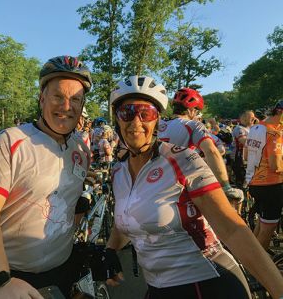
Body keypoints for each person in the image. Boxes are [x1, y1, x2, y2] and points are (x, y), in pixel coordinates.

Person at [104, 75, 283, 299]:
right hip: (158, 289)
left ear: (157, 119)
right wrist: (110, 249)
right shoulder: (119, 172)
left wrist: (279, 291)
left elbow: (232, 229)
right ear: (117, 119)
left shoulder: (182, 159)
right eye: (127, 112)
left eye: (145, 113)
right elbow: (127, 220)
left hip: (207, 284)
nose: (136, 122)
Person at [0, 55, 92, 299]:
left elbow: (67, 201)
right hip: (11, 275)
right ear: (42, 98)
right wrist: (0, 280)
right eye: (58, 96)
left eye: (75, 99)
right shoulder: (11, 140)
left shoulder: (81, 148)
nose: (66, 106)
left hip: (61, 271)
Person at [158, 88, 244, 203]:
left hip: (153, 185)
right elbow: (212, 152)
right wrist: (226, 187)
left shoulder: (157, 124)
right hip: (179, 190)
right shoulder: (193, 125)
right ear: (191, 110)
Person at [244, 100, 283, 250]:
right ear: (279, 112)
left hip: (255, 183)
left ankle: (249, 259)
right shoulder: (275, 132)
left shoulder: (256, 127)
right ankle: (258, 269)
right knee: (267, 230)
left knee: (261, 224)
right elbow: (276, 166)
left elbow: (246, 155)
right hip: (271, 185)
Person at [232, 110, 255, 188]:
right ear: (243, 118)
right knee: (242, 182)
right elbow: (245, 142)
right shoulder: (239, 129)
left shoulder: (250, 128)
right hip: (239, 158)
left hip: (248, 157)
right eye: (251, 117)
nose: (254, 119)